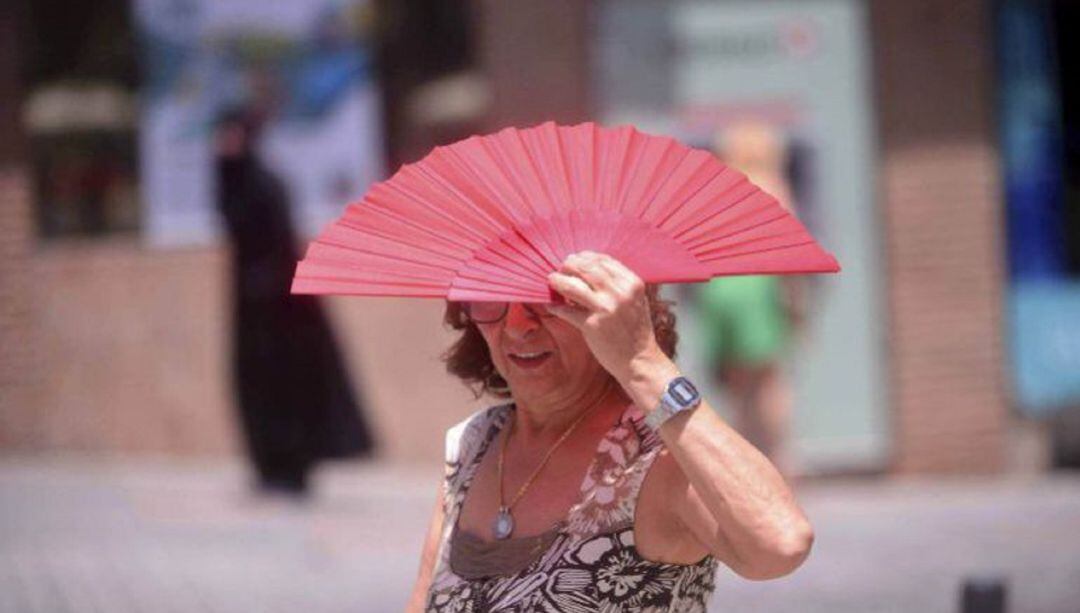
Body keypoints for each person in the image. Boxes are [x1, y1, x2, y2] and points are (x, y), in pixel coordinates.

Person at [408, 251, 814, 611]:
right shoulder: (475, 443)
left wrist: (642, 362)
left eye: (547, 297)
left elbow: (781, 544)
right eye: (491, 295)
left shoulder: (654, 456)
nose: (517, 326)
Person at [215, 107, 375, 498]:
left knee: (285, 387)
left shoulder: (266, 185)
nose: (224, 144)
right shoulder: (234, 181)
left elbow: (278, 246)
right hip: (251, 309)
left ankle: (292, 466)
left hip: (281, 311)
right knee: (256, 386)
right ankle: (269, 466)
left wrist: (268, 287)